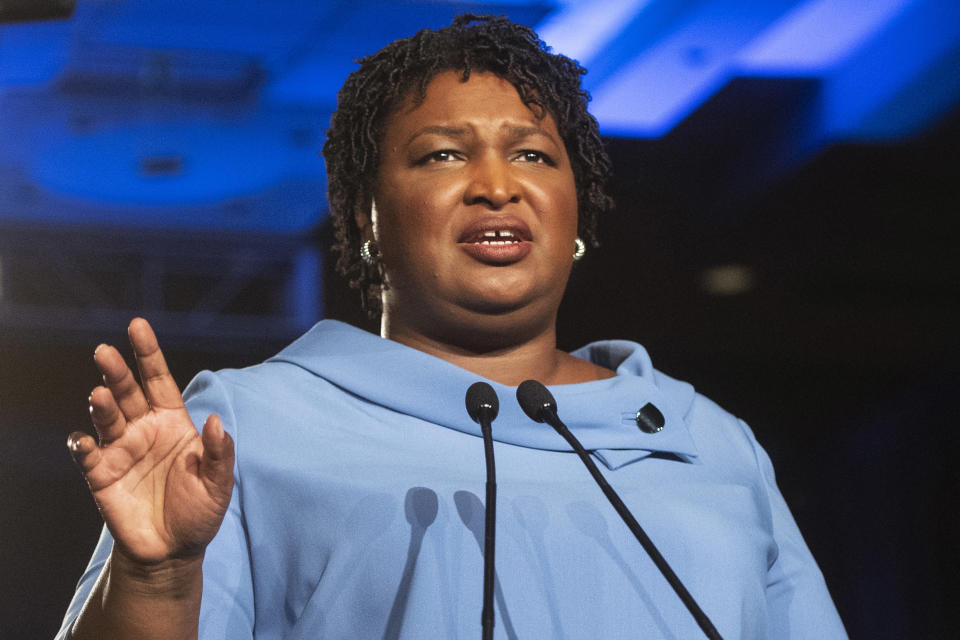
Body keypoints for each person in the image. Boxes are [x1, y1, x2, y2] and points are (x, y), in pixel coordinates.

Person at [56, 15, 847, 640]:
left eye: (535, 156)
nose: (496, 186)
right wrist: (156, 581)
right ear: (366, 215)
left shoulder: (708, 438)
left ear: (578, 211)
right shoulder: (240, 430)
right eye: (440, 156)